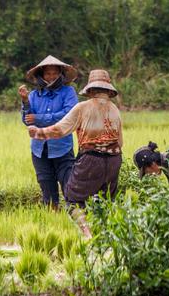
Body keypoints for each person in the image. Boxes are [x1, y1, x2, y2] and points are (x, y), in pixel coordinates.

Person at [28, 69, 123, 236]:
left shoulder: (83, 107)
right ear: (109, 90)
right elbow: (121, 142)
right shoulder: (114, 109)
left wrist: (38, 132)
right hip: (115, 159)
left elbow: (60, 129)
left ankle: (88, 234)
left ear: (90, 90)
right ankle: (106, 235)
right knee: (106, 200)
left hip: (91, 159)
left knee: (72, 200)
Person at [17, 56, 78, 209]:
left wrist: (40, 118)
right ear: (41, 75)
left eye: (55, 73)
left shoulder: (68, 92)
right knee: (47, 189)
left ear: (61, 75)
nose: (51, 77)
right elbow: (27, 120)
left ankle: (76, 220)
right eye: (48, 74)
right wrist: (25, 102)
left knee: (69, 187)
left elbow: (69, 115)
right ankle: (54, 218)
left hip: (62, 148)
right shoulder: (33, 95)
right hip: (39, 150)